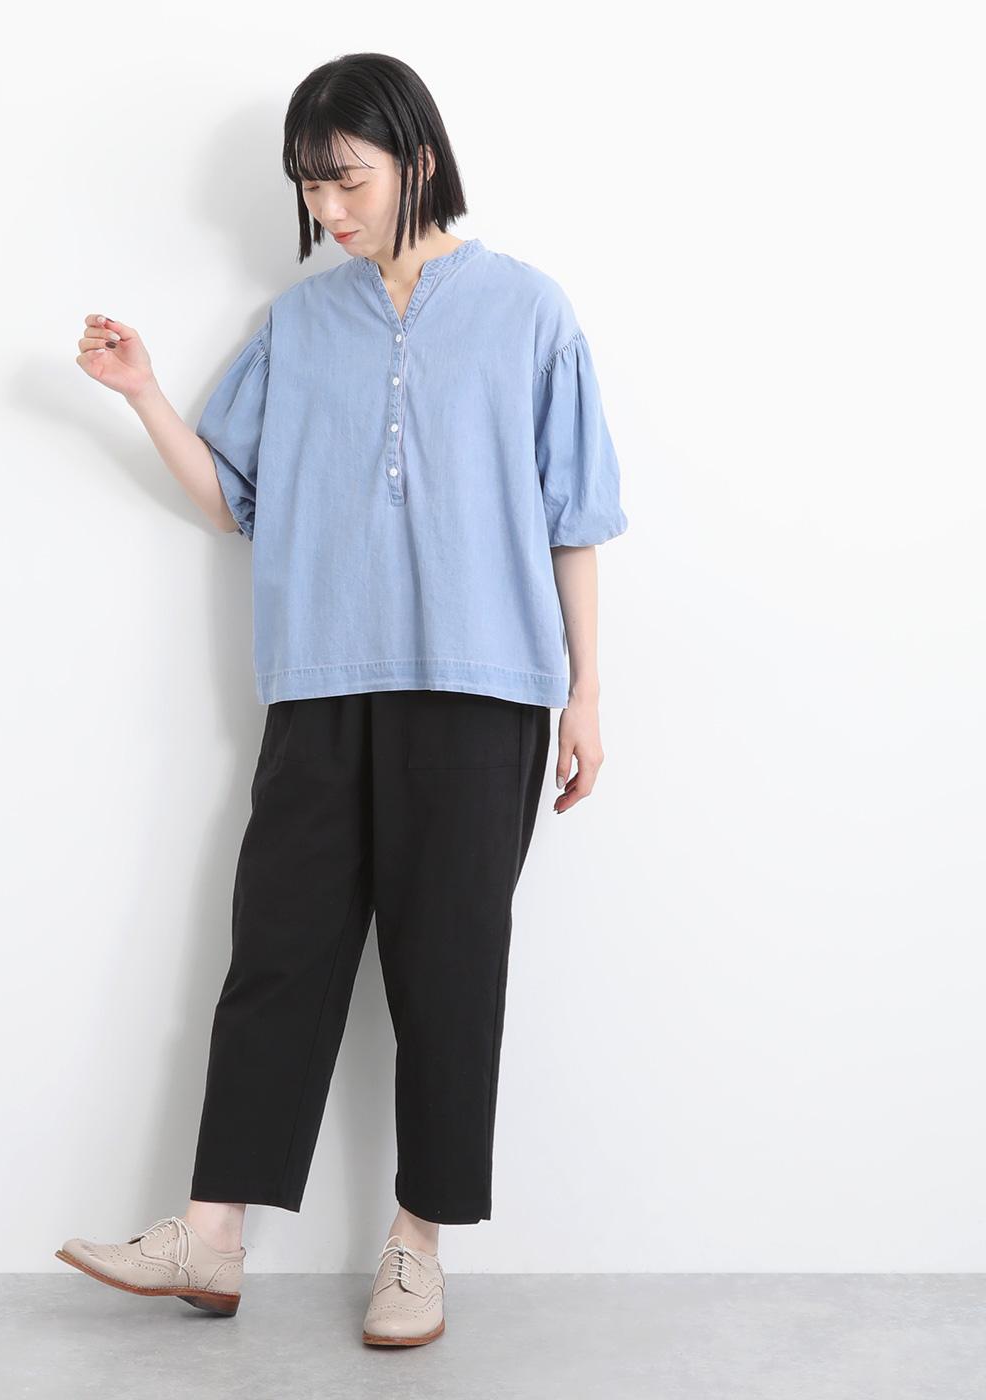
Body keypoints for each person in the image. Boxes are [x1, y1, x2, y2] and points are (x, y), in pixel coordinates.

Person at [56, 51, 628, 1348]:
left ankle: (417, 1249)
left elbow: (576, 517)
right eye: (310, 187)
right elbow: (234, 499)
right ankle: (209, 1236)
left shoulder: (530, 311)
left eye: (347, 179)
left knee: (449, 971)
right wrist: (143, 393)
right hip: (320, 680)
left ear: (416, 157)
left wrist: (588, 693)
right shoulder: (300, 323)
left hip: (483, 688)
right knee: (279, 952)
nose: (329, 209)